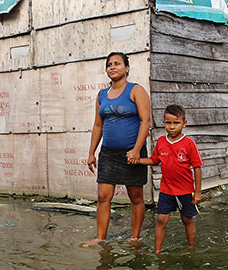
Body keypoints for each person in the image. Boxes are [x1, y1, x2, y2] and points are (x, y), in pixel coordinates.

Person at [85, 52, 151, 246]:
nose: (112, 67)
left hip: (132, 153)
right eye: (109, 65)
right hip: (108, 154)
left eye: (117, 64)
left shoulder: (136, 91)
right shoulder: (102, 95)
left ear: (127, 68)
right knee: (103, 197)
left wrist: (137, 150)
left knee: (136, 197)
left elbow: (146, 121)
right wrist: (91, 153)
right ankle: (100, 238)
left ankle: (135, 237)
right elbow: (98, 126)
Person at [133, 104, 203, 253]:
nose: (172, 127)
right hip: (166, 190)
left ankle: (191, 248)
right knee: (161, 220)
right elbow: (154, 160)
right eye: (168, 123)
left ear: (184, 124)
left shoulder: (189, 144)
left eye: (176, 123)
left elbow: (197, 167)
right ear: (163, 123)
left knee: (187, 219)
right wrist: (137, 160)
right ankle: (157, 251)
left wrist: (197, 192)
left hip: (185, 190)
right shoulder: (161, 142)